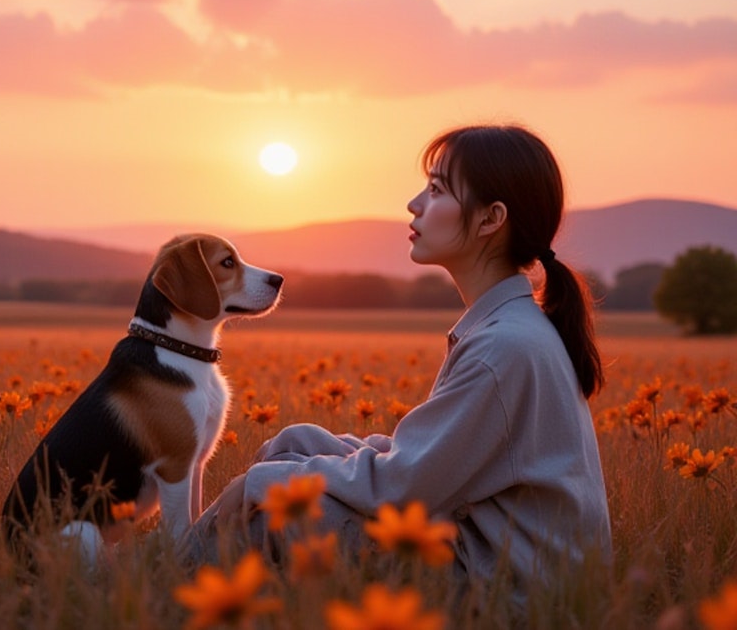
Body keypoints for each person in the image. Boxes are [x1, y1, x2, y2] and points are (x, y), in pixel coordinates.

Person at [181, 123, 613, 603]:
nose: (414, 204)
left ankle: (166, 587)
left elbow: (405, 487)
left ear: (491, 219)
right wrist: (293, 461)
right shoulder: (508, 326)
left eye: (436, 190)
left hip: (508, 588)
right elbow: (435, 462)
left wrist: (263, 482)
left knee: (275, 506)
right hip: (489, 549)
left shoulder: (503, 348)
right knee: (294, 442)